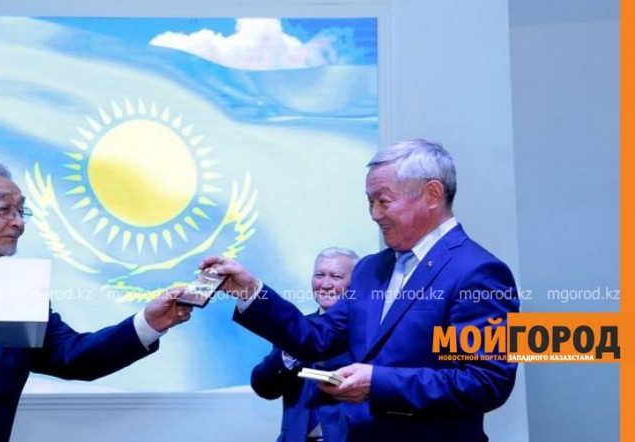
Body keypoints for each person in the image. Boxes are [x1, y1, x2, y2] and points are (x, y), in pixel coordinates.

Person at [204, 139, 520, 441]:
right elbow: (317, 338)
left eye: (384, 201)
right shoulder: (370, 269)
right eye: (370, 202)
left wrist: (377, 382)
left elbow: (487, 381)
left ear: (432, 194)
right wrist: (251, 291)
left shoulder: (482, 272)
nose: (374, 214)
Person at [0, 158, 193, 442]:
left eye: (21, 211)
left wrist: (149, 323)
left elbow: (74, 357)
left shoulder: (21, 291)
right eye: (4, 209)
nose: (19, 223)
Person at [250, 247, 358, 442]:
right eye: (319, 275)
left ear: (355, 282)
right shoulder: (296, 327)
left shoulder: (367, 331)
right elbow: (264, 387)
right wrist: (288, 353)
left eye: (336, 276)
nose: (325, 284)